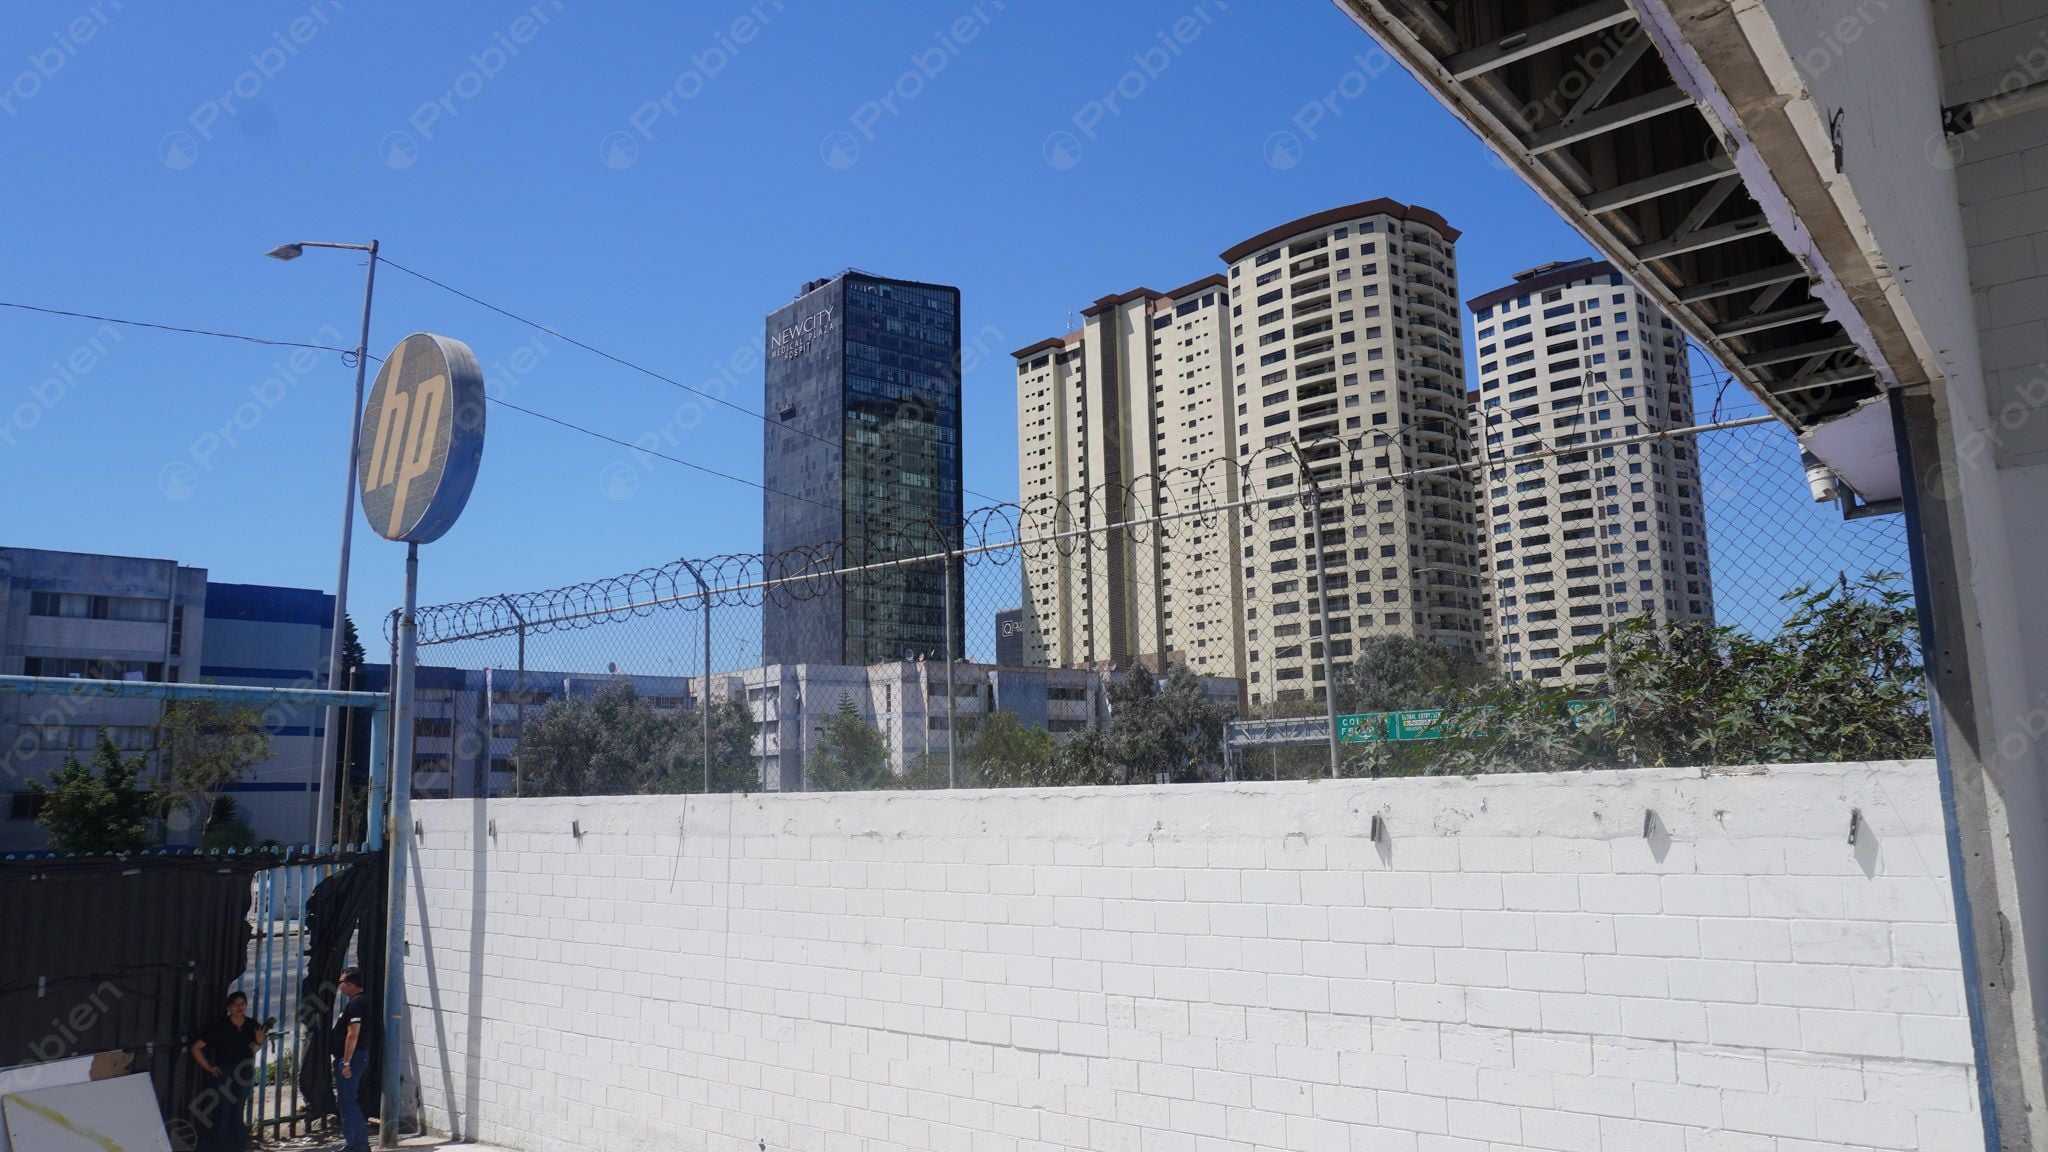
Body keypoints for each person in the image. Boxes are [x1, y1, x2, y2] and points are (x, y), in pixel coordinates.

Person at [189, 991, 267, 1152]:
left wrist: (259, 1042)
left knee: (238, 1111)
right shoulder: (220, 1026)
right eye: (235, 1004)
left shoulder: (252, 1025)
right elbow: (196, 1047)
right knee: (223, 1111)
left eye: (242, 1004)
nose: (239, 1007)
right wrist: (208, 1067)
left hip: (244, 1071)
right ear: (229, 1007)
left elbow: (252, 1051)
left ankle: (237, 1147)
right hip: (224, 1072)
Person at [331, 967, 371, 1152]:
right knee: (346, 1102)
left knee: (348, 1102)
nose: (340, 986)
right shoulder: (357, 1002)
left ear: (350, 985)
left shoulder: (357, 1004)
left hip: (352, 1059)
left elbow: (352, 1034)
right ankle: (352, 1144)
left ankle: (359, 1145)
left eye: (341, 982)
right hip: (352, 1058)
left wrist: (346, 1062)